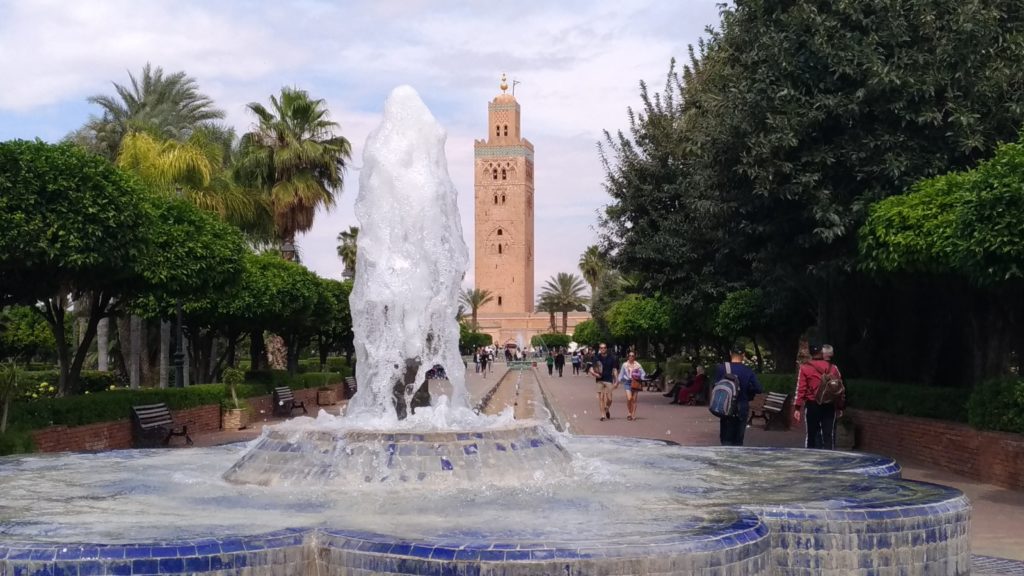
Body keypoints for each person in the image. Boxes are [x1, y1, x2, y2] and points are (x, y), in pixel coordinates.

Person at [793, 343, 845, 449]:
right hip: (829, 404)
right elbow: (839, 389)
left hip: (812, 404)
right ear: (822, 352)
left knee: (812, 435)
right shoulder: (833, 368)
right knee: (828, 435)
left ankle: (812, 458)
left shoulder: (805, 368)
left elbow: (801, 389)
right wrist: (840, 406)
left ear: (810, 354)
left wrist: (797, 407)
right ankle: (828, 458)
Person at [713, 345, 763, 446]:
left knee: (726, 439)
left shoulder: (722, 368)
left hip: (725, 408)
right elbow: (759, 389)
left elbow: (715, 386)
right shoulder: (748, 370)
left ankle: (725, 459)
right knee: (738, 441)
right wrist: (748, 389)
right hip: (742, 407)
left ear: (731, 353)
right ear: (743, 355)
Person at [589, 343, 618, 421]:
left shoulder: (612, 358)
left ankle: (607, 408)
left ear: (606, 349)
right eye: (601, 348)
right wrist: (595, 374)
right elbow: (591, 369)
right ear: (599, 349)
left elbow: (614, 369)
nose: (603, 349)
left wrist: (616, 380)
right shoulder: (596, 358)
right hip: (600, 380)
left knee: (610, 399)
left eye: (604, 348)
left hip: (609, 379)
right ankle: (602, 415)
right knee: (601, 398)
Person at [619, 351, 645, 420]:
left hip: (635, 382)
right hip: (627, 382)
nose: (631, 357)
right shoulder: (624, 365)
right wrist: (617, 382)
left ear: (634, 357)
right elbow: (621, 374)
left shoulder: (638, 365)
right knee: (629, 398)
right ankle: (629, 412)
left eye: (632, 356)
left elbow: (643, 373)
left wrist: (641, 378)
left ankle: (632, 414)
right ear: (628, 357)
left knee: (634, 399)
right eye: (630, 355)